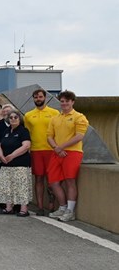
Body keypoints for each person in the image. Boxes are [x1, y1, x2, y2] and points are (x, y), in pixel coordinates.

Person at [46, 90, 89, 222]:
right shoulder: (55, 118)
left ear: (72, 102)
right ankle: (63, 207)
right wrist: (56, 148)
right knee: (53, 182)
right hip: (57, 152)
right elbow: (49, 136)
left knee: (70, 181)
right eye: (62, 101)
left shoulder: (79, 117)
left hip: (73, 152)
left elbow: (79, 136)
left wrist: (61, 147)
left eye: (67, 101)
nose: (64, 103)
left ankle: (70, 211)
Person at [24, 89, 60, 215]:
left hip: (51, 150)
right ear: (33, 99)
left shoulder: (54, 113)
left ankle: (52, 205)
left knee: (52, 180)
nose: (38, 99)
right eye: (35, 97)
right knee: (39, 179)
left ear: (45, 97)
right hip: (36, 151)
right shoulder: (28, 115)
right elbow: (27, 134)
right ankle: (39, 207)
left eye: (40, 97)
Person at [0, 109, 33, 216]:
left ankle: (24, 209)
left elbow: (26, 146)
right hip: (6, 164)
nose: (13, 119)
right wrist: (1, 155)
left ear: (19, 119)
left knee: (21, 186)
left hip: (20, 164)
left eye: (15, 117)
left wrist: (12, 156)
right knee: (6, 186)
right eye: (11, 117)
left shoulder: (24, 131)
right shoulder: (6, 131)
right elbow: (0, 145)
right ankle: (8, 208)